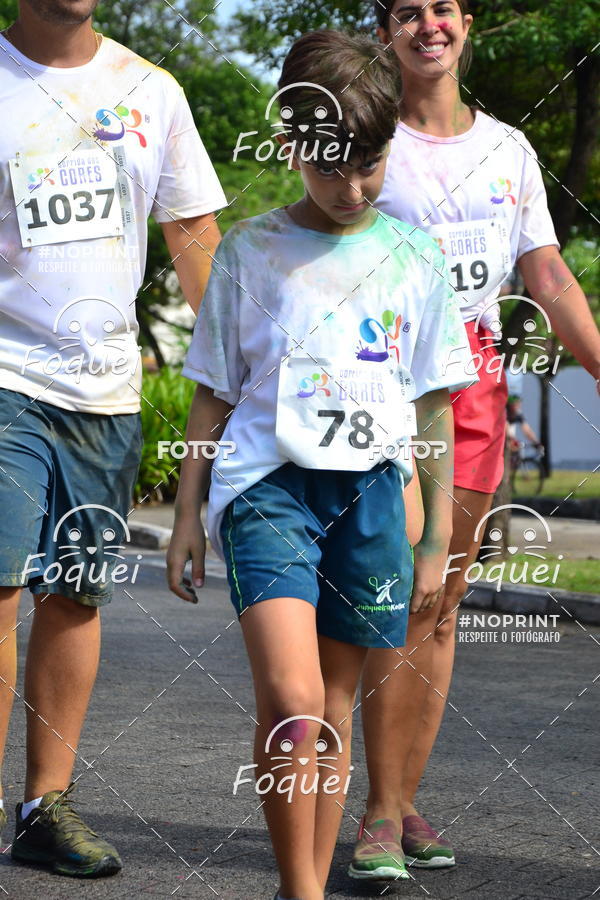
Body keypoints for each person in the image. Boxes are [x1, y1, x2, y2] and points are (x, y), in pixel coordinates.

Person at [167, 29, 474, 900]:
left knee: (329, 712)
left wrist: (436, 536)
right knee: (293, 697)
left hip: (374, 497)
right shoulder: (249, 254)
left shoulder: (415, 258)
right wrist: (189, 515)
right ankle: (300, 888)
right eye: (330, 166)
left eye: (369, 165)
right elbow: (209, 396)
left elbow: (434, 409)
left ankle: (302, 887)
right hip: (269, 493)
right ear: (295, 148)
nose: (351, 188)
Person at [351, 0, 600, 877]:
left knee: (442, 610)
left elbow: (546, 273)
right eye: (410, 12)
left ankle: (403, 801)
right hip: (389, 401)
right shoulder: (370, 139)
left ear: (467, 25)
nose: (431, 25)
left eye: (445, 9)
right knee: (400, 600)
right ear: (386, 30)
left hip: (478, 395)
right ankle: (378, 816)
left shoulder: (509, 150)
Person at [0, 0, 225, 876]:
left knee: (76, 593)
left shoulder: (151, 90)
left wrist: (239, 373)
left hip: (107, 392)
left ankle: (43, 808)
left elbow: (194, 233)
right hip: (4, 376)